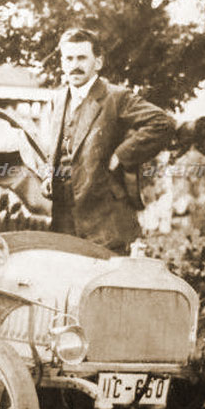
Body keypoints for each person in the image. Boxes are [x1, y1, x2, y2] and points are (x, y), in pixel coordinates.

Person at [43, 27, 175, 254]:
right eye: (69, 58)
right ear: (62, 62)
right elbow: (57, 150)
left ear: (98, 62)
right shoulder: (57, 100)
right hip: (64, 222)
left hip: (105, 225)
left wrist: (122, 155)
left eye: (82, 58)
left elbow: (162, 123)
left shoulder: (116, 97)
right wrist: (49, 174)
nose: (75, 65)